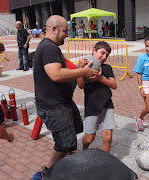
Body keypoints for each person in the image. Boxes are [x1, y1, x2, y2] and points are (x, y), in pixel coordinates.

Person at [33, 15, 99, 169]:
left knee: (75, 130)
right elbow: (56, 74)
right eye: (65, 31)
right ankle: (48, 171)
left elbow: (60, 73)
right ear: (54, 30)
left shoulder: (49, 47)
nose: (67, 35)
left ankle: (66, 163)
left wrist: (77, 68)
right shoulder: (49, 47)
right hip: (54, 107)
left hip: (61, 103)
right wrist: (83, 72)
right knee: (65, 143)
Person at [77, 41, 117, 153]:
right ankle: (84, 150)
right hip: (92, 106)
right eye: (102, 53)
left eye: (107, 55)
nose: (104, 57)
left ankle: (105, 159)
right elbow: (81, 85)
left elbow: (114, 85)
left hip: (107, 104)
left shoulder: (107, 68)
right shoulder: (85, 68)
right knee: (90, 138)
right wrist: (80, 69)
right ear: (94, 51)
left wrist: (100, 78)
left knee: (108, 137)